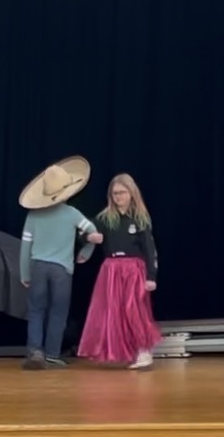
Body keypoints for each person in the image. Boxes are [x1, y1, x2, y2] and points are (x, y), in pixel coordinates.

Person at [17, 156, 103, 370]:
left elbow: (25, 247)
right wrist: (86, 251)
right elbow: (94, 233)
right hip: (62, 271)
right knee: (58, 312)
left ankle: (35, 351)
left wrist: (24, 273)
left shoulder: (33, 216)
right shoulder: (72, 214)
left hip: (37, 267)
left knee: (36, 310)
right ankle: (53, 355)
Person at [77, 174, 161, 370]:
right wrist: (89, 237)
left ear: (131, 193)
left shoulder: (140, 218)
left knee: (134, 310)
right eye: (115, 194)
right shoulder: (105, 218)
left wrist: (151, 276)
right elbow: (84, 233)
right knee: (114, 312)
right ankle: (126, 351)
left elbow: (150, 249)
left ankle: (144, 350)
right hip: (111, 270)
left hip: (134, 270)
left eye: (122, 193)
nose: (118, 197)